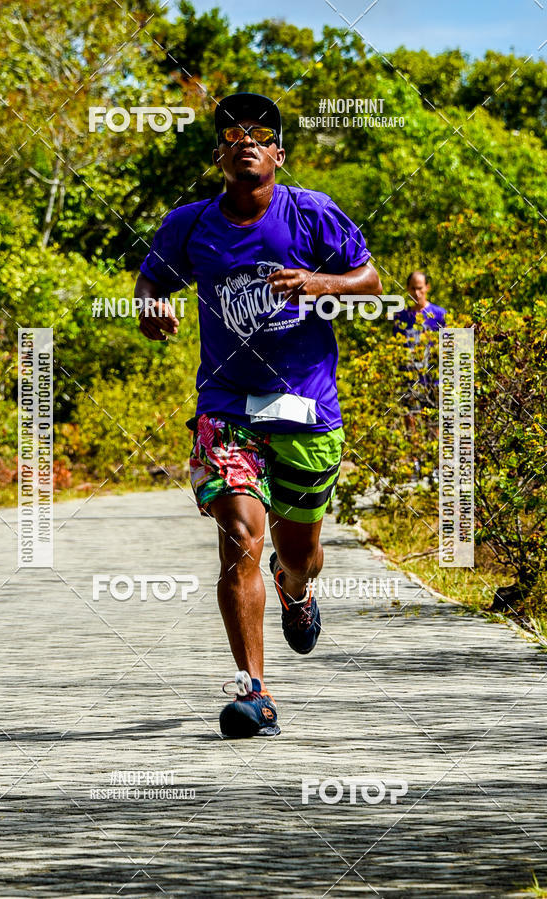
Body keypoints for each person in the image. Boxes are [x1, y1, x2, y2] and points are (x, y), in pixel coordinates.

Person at [135, 92, 382, 738]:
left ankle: (295, 590)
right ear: (218, 153)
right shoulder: (189, 225)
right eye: (232, 133)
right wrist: (151, 306)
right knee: (241, 536)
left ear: (278, 152)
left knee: (296, 551)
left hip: (307, 410)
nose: (246, 139)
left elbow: (370, 278)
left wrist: (319, 283)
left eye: (260, 133)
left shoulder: (312, 214)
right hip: (226, 408)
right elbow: (152, 279)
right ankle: (254, 691)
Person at [393, 271, 446, 476]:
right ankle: (415, 461)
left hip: (433, 378)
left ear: (427, 288)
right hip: (409, 378)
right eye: (413, 288)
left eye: (420, 287)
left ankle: (435, 463)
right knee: (411, 420)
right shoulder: (401, 317)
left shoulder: (439, 315)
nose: (417, 292)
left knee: (433, 421)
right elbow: (395, 349)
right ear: (408, 289)